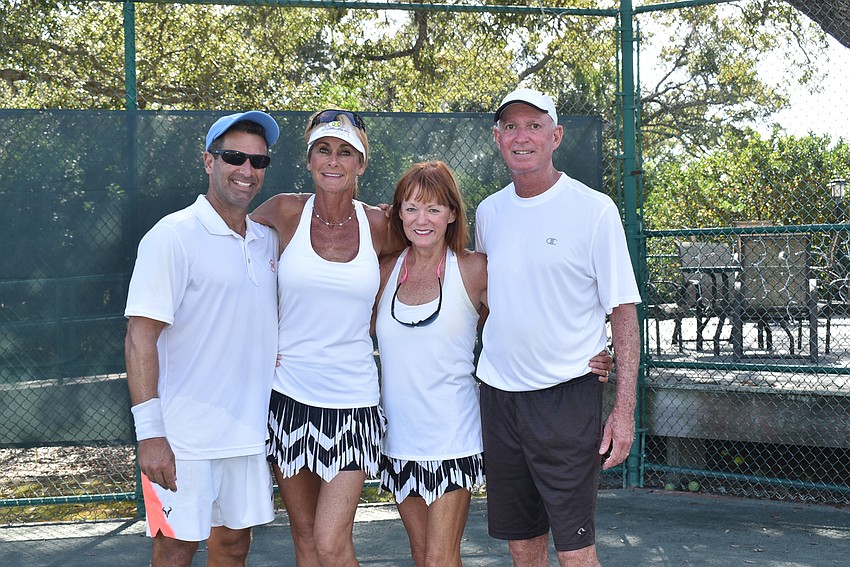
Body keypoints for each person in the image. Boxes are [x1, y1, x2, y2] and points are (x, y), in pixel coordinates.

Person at [374, 161, 616, 567]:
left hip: (454, 435)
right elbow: (345, 328)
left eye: (434, 208)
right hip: (398, 437)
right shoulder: (383, 272)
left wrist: (591, 349)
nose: (422, 219)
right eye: (412, 207)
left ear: (452, 214)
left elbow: (530, 308)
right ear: (398, 212)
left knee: (438, 558)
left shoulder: (474, 269)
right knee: (421, 556)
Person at [475, 88, 641, 567]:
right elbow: (491, 305)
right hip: (499, 400)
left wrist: (623, 410)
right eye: (510, 126)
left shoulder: (594, 210)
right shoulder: (488, 212)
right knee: (523, 546)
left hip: (568, 400)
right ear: (497, 137)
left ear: (556, 136)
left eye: (534, 125)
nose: (521, 136)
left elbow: (623, 311)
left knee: (575, 551)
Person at [124, 111, 281, 566]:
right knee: (174, 548)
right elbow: (139, 337)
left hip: (248, 436)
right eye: (234, 157)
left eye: (258, 161)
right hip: (181, 441)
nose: (247, 171)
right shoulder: (171, 236)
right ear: (208, 160)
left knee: (234, 547)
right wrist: (150, 434)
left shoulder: (265, 241)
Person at [250, 110, 391, 567]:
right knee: (305, 536)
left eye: (345, 152)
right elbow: (231, 261)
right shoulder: (283, 211)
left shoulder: (380, 225)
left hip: (354, 402)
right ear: (310, 160)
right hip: (287, 396)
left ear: (361, 163)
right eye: (324, 150)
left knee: (332, 541)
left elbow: (426, 262)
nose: (334, 161)